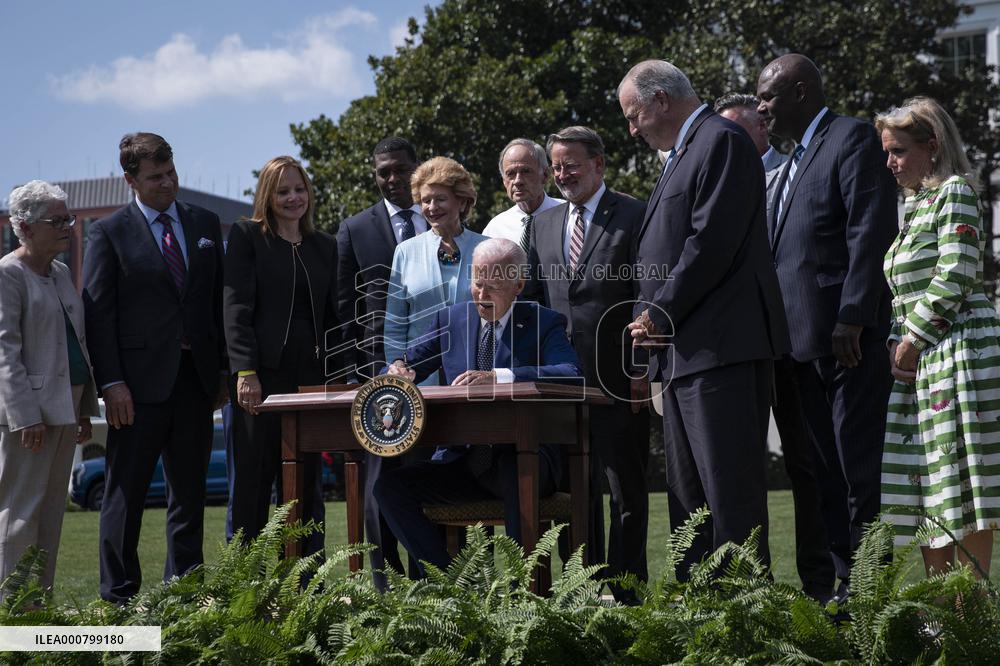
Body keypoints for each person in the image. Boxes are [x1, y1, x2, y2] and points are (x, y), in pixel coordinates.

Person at [617, 60, 790, 576]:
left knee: (729, 499)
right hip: (683, 357)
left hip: (722, 352)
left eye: (633, 115)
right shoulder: (683, 155)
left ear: (661, 101)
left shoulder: (722, 141)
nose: (632, 128)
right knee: (689, 506)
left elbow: (710, 244)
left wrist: (657, 313)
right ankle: (700, 626)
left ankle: (747, 629)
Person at [756, 54, 898, 600]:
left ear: (801, 92)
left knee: (857, 469)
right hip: (799, 346)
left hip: (845, 342)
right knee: (823, 473)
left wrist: (853, 314)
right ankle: (846, 584)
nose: (761, 107)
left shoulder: (852, 138)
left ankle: (871, 594)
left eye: (768, 96)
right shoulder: (794, 160)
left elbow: (870, 228)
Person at [373, 238, 581, 575]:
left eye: (493, 286)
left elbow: (572, 374)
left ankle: (519, 594)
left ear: (518, 285)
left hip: (526, 462)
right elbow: (403, 366)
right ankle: (448, 581)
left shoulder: (544, 322)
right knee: (389, 487)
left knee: (515, 468)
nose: (481, 295)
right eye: (477, 282)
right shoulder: (450, 320)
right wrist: (395, 369)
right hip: (464, 462)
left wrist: (500, 376)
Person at [84, 132, 228, 603]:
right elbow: (99, 315)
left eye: (171, 173)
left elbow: (215, 306)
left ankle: (184, 597)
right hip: (135, 390)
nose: (167, 183)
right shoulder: (107, 232)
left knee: (188, 498)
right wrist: (111, 383)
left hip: (196, 384)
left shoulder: (204, 223)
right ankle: (119, 598)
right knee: (124, 497)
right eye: (155, 177)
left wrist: (223, 372)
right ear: (130, 180)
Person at [714, 92, 835, 601]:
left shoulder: (793, 174)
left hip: (791, 345)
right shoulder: (715, 182)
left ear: (763, 130)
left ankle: (820, 583)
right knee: (736, 468)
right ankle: (747, 587)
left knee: (807, 464)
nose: (732, 143)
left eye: (741, 132)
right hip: (737, 348)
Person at [877, 97, 1000, 578]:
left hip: (960, 352)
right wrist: (896, 340)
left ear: (933, 146)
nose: (891, 162)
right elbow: (902, 290)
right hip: (923, 358)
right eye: (888, 151)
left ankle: (970, 617)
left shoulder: (956, 193)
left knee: (961, 484)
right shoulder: (915, 206)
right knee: (926, 481)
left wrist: (911, 338)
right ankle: (938, 614)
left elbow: (955, 274)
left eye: (899, 151)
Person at [525, 126, 649, 602]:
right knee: (577, 494)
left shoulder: (634, 214)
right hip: (562, 385)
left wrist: (641, 369)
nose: (562, 174)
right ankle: (586, 586)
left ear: (599, 164)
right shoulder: (544, 224)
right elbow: (535, 301)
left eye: (572, 164)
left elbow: (645, 296)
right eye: (556, 166)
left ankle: (627, 589)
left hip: (618, 380)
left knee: (626, 491)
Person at [224, 156, 337, 556]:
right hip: (261, 380)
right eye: (283, 191)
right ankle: (246, 586)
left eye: (299, 189)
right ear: (267, 197)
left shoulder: (325, 245)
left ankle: (307, 582)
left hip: (310, 381)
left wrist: (337, 381)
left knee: (306, 488)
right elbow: (235, 308)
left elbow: (333, 318)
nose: (293, 198)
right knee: (253, 485)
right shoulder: (247, 236)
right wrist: (245, 371)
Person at [0, 181, 99, 596]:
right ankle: (10, 612)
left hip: (65, 407)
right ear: (23, 225)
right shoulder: (8, 273)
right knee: (20, 516)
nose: (68, 227)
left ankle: (39, 611)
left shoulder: (59, 273)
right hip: (30, 418)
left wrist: (81, 409)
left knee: (51, 515)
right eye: (56, 220)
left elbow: (71, 344)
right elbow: (5, 351)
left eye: (69, 218)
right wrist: (26, 416)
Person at [336, 137, 426, 590]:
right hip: (377, 378)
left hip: (440, 372)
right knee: (378, 483)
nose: (392, 179)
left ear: (417, 167)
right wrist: (353, 377)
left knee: (430, 478)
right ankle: (385, 590)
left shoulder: (440, 213)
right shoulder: (355, 229)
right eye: (383, 172)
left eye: (400, 169)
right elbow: (344, 309)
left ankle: (434, 584)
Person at [383, 157, 487, 372]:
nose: (431, 207)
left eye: (440, 199)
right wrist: (396, 363)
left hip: (475, 373)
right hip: (418, 377)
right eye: (425, 200)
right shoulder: (405, 251)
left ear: (462, 201)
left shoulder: (488, 248)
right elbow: (395, 322)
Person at [482, 138, 564, 250]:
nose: (517, 181)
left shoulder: (569, 216)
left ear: (545, 175)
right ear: (504, 181)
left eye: (526, 171)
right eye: (510, 174)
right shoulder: (495, 229)